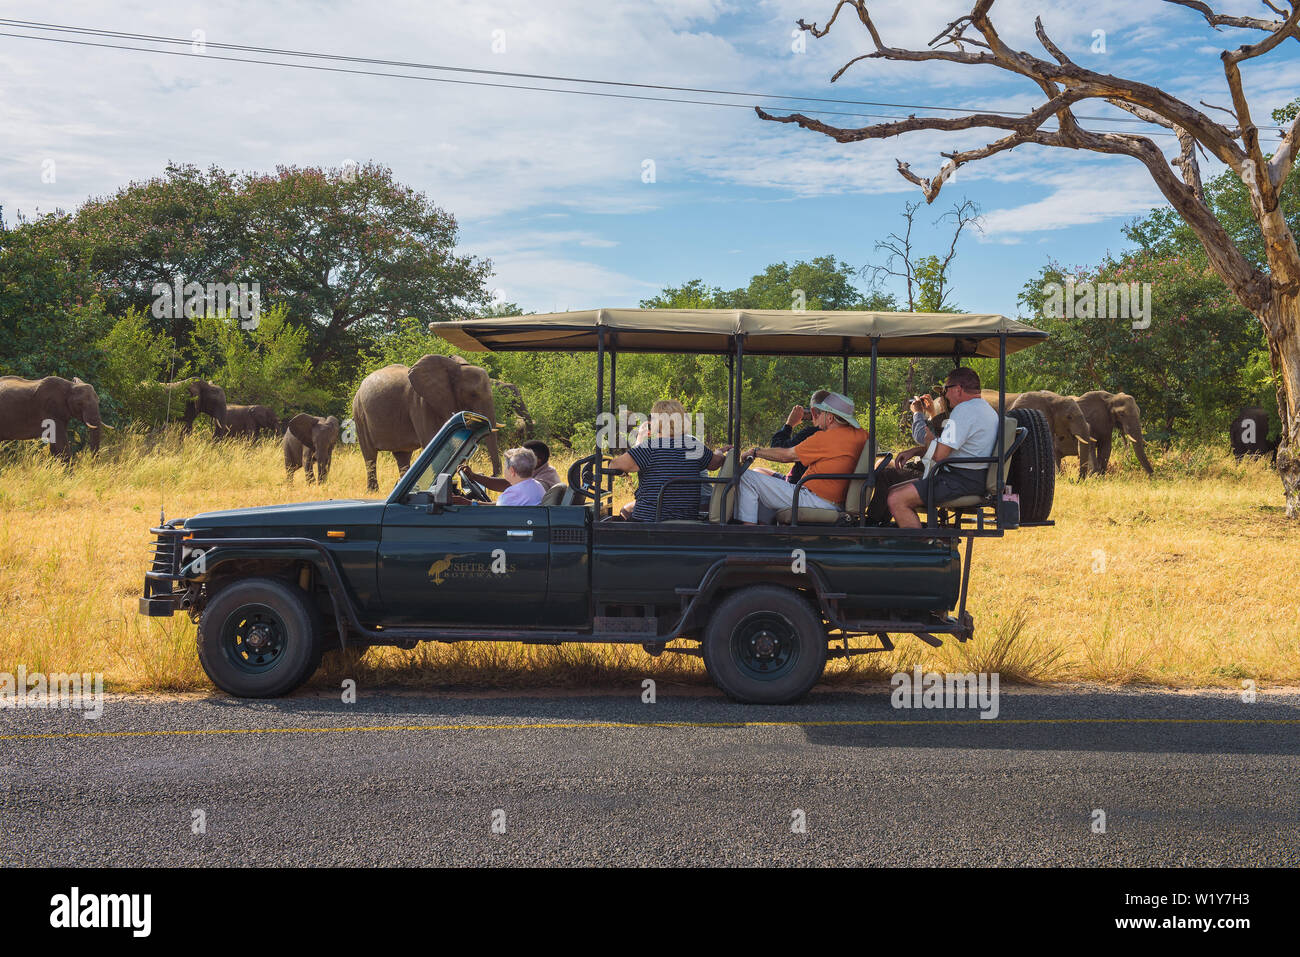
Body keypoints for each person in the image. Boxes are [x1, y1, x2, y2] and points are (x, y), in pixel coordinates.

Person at [887, 367, 999, 529]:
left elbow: (939, 456)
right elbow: (952, 448)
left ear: (958, 389)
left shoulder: (963, 411)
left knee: (896, 499)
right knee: (893, 490)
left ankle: (922, 549)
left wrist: (929, 440)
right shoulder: (985, 409)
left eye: (947, 389)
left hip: (961, 479)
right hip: (971, 476)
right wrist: (916, 451)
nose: (945, 395)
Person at [737, 392, 867, 524]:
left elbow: (785, 455)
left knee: (746, 477)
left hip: (814, 500)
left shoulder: (825, 438)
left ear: (830, 417)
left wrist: (755, 452)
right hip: (834, 501)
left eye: (820, 413)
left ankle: (749, 532)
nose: (815, 416)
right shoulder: (862, 435)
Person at [608, 399, 730, 522]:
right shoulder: (693, 446)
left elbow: (613, 465)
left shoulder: (649, 448)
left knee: (616, 520)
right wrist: (719, 452)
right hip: (687, 519)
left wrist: (638, 443)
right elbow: (715, 463)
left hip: (649, 521)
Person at [758, 389, 830, 485]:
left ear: (813, 412)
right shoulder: (839, 434)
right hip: (803, 482)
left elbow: (778, 449)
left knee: (752, 475)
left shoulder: (812, 434)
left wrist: (789, 424)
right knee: (758, 470)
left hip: (797, 487)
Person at [454, 447, 545, 506]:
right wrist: (474, 476)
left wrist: (468, 503)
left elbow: (494, 512)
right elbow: (500, 502)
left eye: (505, 467)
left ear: (512, 471)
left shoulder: (512, 494)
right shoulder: (537, 485)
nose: (504, 470)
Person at [463, 439, 560, 492]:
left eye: (525, 456)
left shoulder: (542, 481)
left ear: (538, 461)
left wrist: (475, 477)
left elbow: (508, 485)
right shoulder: (544, 472)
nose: (520, 458)